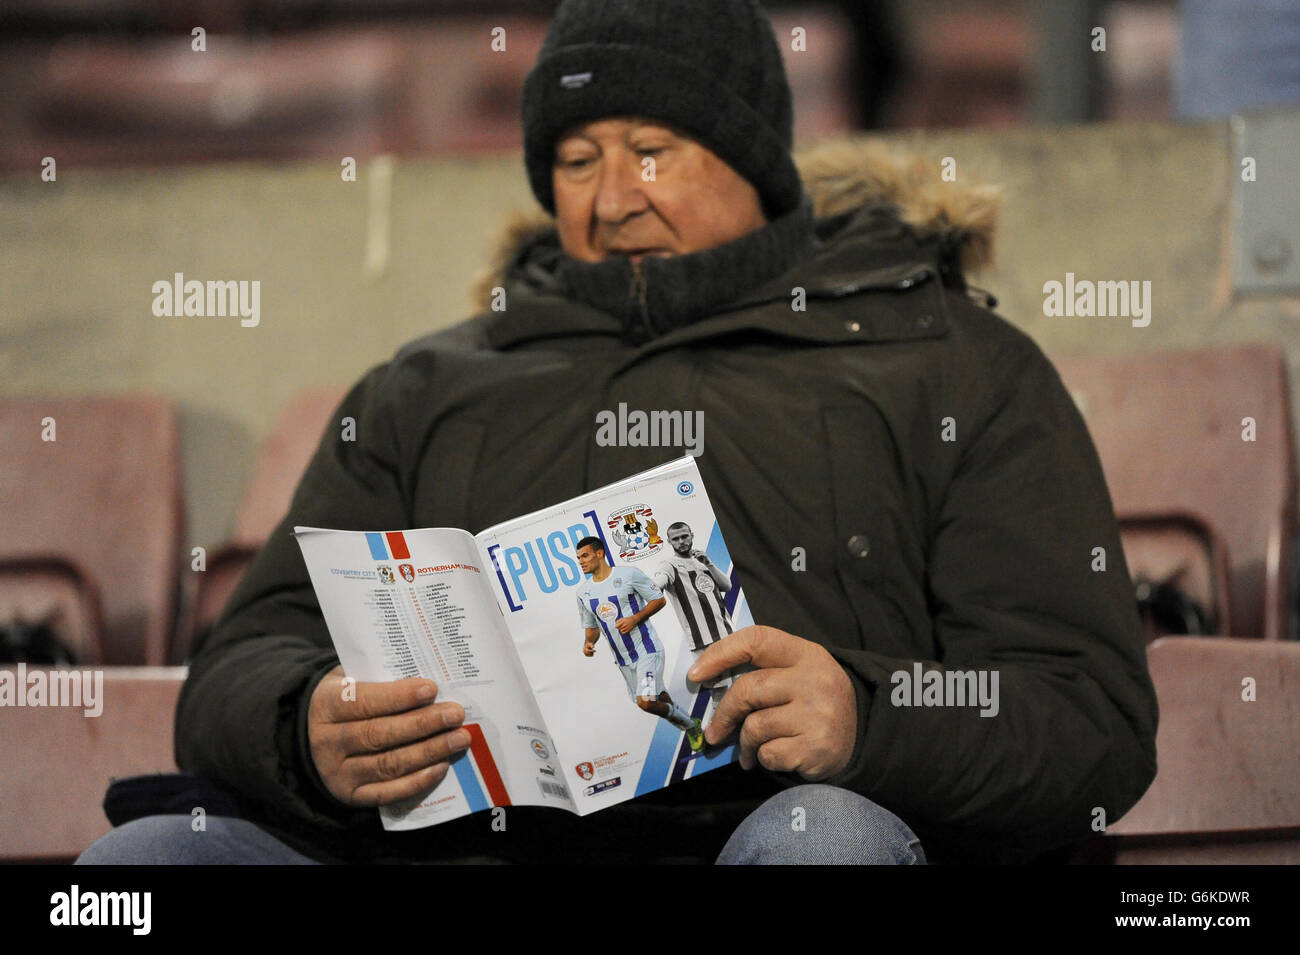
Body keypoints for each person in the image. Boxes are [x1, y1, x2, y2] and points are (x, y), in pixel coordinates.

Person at [77, 0, 1157, 866]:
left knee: (821, 840)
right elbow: (235, 668)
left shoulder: (950, 362)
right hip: (462, 848)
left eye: (651, 149)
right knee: (149, 860)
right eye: (577, 160)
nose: (612, 199)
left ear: (756, 163)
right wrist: (305, 725)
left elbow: (1089, 718)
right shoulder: (427, 384)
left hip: (774, 833)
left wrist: (868, 720)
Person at [574, 535, 706, 752]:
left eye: (585, 556)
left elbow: (658, 599)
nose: (581, 561)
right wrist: (589, 643)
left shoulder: (628, 575)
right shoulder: (583, 593)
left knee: (645, 701)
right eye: (579, 558)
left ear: (600, 553)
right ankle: (691, 725)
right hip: (623, 660)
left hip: (647, 650)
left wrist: (634, 619)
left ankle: (691, 727)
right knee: (658, 698)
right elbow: (592, 628)